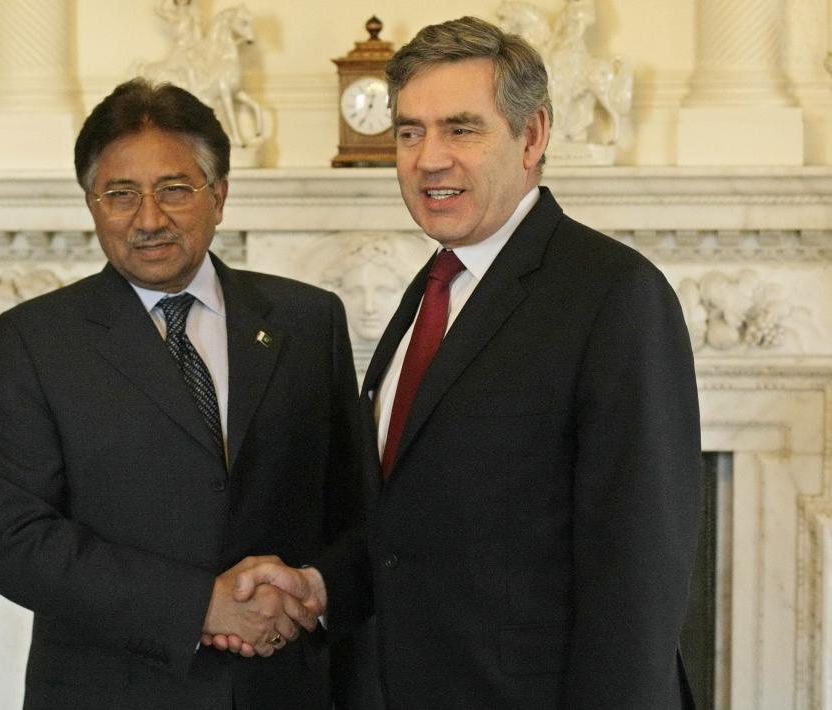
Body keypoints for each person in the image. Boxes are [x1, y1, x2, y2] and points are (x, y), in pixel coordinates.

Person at [228, 16, 702, 709]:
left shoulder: (613, 296)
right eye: (409, 132)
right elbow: (409, 524)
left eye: (460, 128)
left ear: (532, 135)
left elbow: (638, 577)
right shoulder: (431, 291)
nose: (428, 158)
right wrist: (323, 587)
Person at [0, 77, 366, 709]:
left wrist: (311, 589)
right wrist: (200, 607)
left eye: (175, 190)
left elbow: (357, 511)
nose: (149, 219)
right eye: (120, 194)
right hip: (110, 691)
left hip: (284, 685)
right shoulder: (33, 342)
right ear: (91, 203)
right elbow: (18, 542)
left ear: (221, 196)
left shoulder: (308, 321)